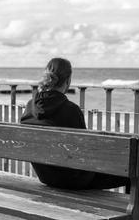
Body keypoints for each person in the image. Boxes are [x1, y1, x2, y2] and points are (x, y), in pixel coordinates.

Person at [20, 58, 130, 190]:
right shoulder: (71, 110)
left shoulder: (29, 106)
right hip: (75, 180)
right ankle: (135, 210)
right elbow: (84, 151)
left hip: (46, 177)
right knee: (131, 173)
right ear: (68, 81)